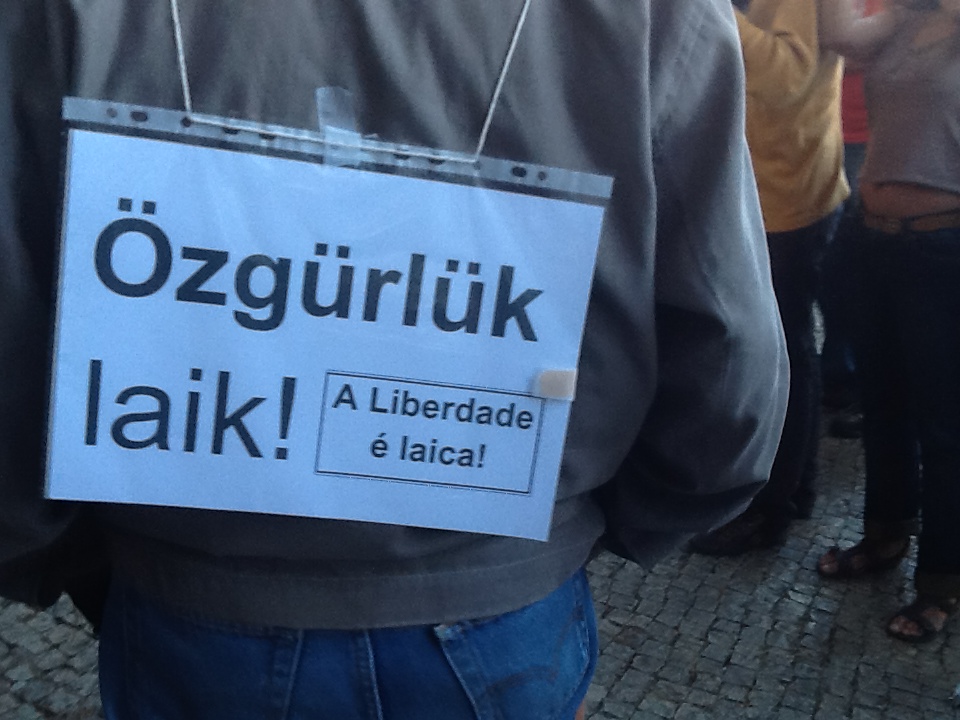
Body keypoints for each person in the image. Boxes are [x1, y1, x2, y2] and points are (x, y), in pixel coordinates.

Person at [0, 1, 788, 716]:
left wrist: (60, 554)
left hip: (183, 619)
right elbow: (731, 356)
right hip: (505, 615)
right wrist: (586, 530)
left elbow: (12, 312)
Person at [817, 0, 960, 644]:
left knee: (945, 424)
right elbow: (840, 33)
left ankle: (942, 581)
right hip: (869, 238)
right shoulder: (908, 16)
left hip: (943, 250)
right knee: (884, 406)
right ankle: (884, 536)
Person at [690, 0, 849, 556]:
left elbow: (787, 75)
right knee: (783, 346)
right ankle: (792, 488)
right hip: (764, 186)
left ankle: (771, 507)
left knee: (778, 352)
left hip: (787, 197)